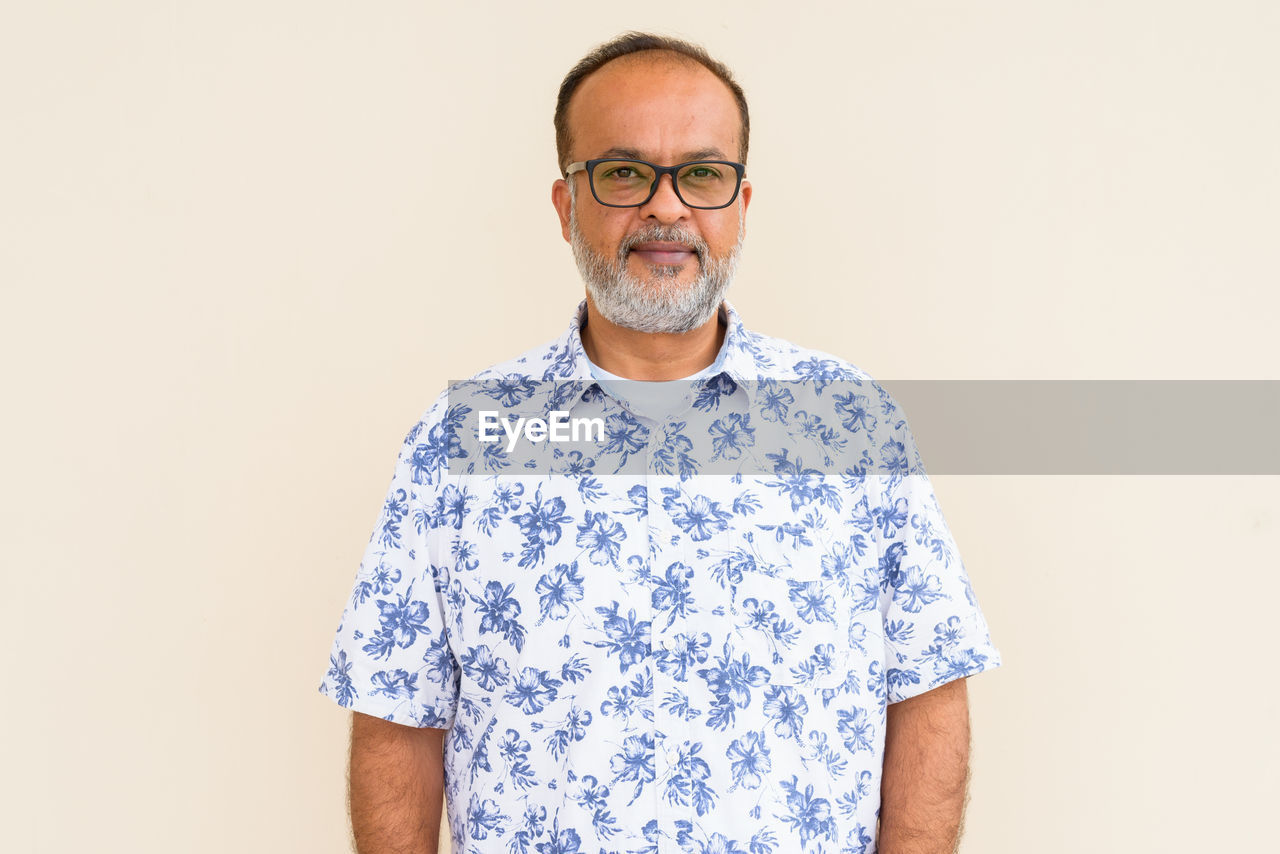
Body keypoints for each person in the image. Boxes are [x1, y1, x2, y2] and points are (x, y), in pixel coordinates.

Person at [320, 32, 1000, 854]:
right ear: (567, 204)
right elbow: (399, 715)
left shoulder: (848, 422)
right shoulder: (463, 438)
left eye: (702, 175)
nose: (667, 208)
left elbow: (927, 691)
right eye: (624, 172)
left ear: (741, 205)